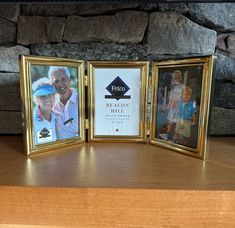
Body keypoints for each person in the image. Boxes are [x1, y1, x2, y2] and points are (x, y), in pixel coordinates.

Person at [48, 66, 79, 140]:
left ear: (69, 79)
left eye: (63, 79)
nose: (60, 84)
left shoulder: (81, 99)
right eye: (56, 81)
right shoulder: (51, 105)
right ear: (52, 84)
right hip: (61, 149)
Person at [159, 70, 185, 141]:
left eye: (178, 78)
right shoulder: (172, 86)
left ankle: (175, 138)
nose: (177, 79)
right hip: (173, 107)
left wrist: (179, 102)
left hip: (179, 106)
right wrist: (170, 103)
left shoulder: (182, 86)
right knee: (171, 121)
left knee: (177, 122)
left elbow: (183, 97)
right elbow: (170, 95)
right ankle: (165, 134)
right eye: (175, 78)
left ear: (181, 78)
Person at [32, 77, 57, 145]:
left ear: (54, 95)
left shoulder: (58, 116)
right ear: (37, 99)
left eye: (50, 94)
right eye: (42, 96)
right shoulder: (32, 120)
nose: (48, 99)